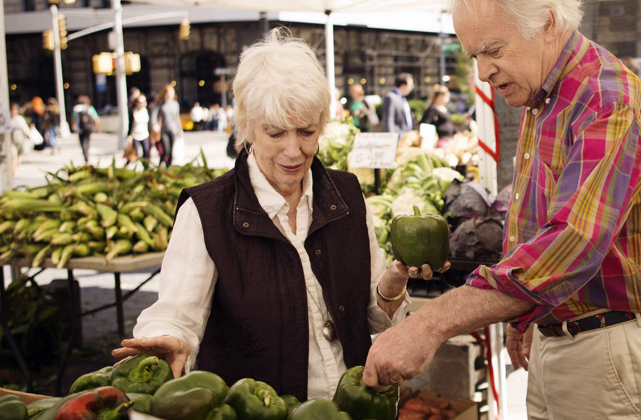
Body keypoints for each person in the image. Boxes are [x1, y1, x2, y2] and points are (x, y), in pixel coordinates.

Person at [363, 0, 641, 420]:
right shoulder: (548, 97)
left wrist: (429, 322)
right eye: (473, 54)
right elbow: (541, 221)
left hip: (608, 352)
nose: (482, 71)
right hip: (563, 343)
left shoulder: (604, 100)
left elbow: (571, 242)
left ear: (548, 22)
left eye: (492, 49)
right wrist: (525, 318)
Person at [111, 28, 445, 399]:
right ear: (247, 126)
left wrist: (393, 283)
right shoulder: (207, 211)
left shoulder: (347, 194)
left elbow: (369, 312)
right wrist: (168, 340)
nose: (294, 151)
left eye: (306, 131)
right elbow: (177, 312)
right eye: (275, 133)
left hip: (359, 417)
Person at [151, 84, 183, 167]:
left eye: (172, 93)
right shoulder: (160, 104)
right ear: (164, 94)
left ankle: (168, 167)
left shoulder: (175, 104)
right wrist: (154, 125)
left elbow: (177, 118)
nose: (170, 95)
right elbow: (154, 115)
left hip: (173, 130)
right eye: (168, 93)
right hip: (163, 130)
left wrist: (180, 129)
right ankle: (161, 163)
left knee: (172, 152)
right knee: (166, 150)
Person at [70, 94, 99, 164]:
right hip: (89, 128)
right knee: (87, 141)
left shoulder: (76, 108)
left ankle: (86, 158)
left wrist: (73, 126)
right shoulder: (89, 108)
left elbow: (73, 119)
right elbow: (96, 119)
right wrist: (97, 127)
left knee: (83, 142)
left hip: (80, 128)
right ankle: (87, 156)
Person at [129, 93, 152, 162]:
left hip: (145, 134)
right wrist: (129, 135)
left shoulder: (147, 110)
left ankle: (146, 167)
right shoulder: (133, 111)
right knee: (137, 152)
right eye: (140, 102)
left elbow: (150, 123)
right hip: (135, 135)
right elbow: (130, 124)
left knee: (146, 151)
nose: (142, 104)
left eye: (143, 102)